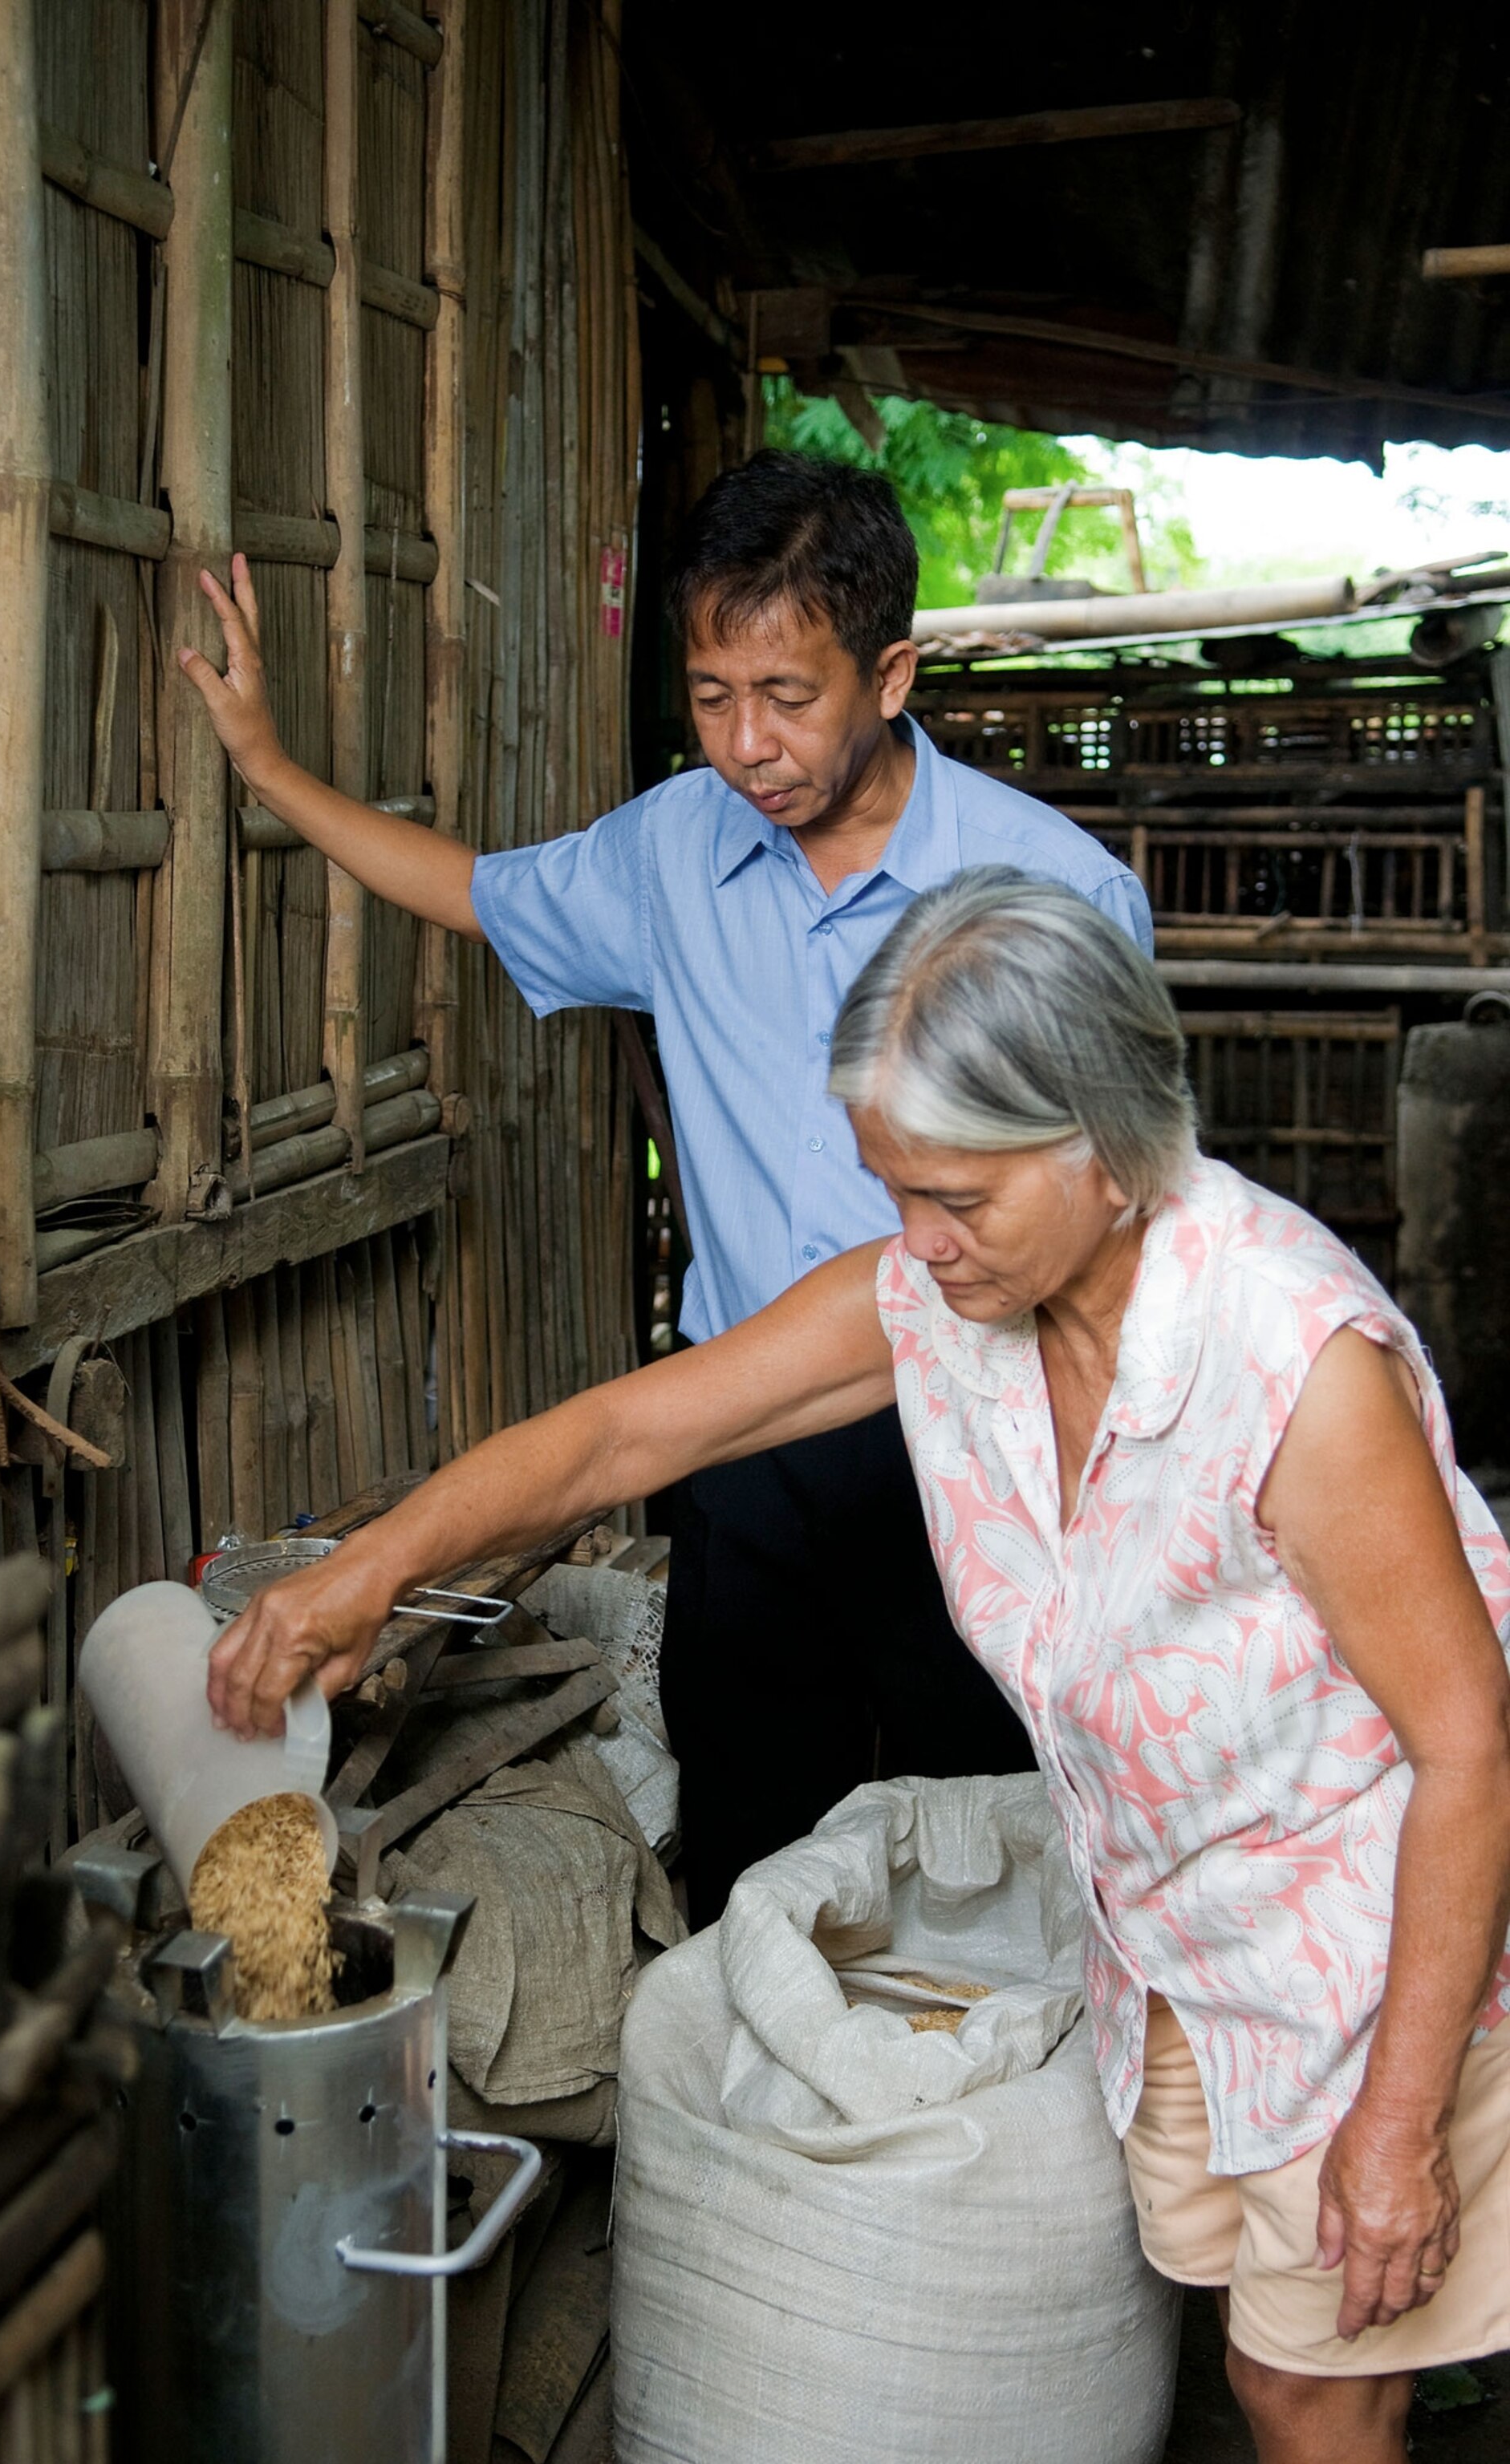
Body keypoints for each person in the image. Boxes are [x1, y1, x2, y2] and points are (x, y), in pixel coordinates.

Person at [209, 871, 1510, 2464]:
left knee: (1312, 2396)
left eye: (958, 1197)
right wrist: (370, 1572)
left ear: (1104, 1151)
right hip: (1172, 1925)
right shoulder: (954, 1297)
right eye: (898, 1193)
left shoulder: (1293, 1372)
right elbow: (633, 1428)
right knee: (1253, 2352)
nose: (919, 1245)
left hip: (1358, 1947)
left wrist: (1395, 2125)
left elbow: (1465, 1747)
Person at [182, 450, 1153, 1919]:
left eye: (790, 698)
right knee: (751, 1844)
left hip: (990, 1441)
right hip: (743, 1451)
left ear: (891, 674)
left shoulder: (1053, 900)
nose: (748, 746)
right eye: (712, 699)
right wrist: (267, 767)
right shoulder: (673, 850)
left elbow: (1121, 1239)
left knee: (1011, 1858)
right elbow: (476, 890)